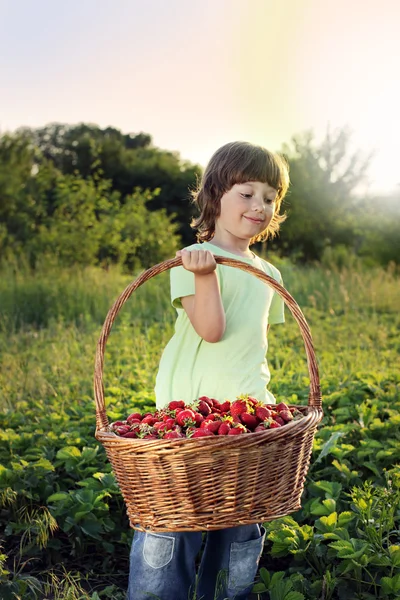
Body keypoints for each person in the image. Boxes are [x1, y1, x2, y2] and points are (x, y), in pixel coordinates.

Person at [128, 141, 290, 600]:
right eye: (246, 193)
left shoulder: (270, 274)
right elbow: (213, 330)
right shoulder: (194, 259)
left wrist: (261, 405)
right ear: (216, 195)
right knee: (173, 520)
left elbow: (252, 344)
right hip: (190, 413)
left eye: (269, 197)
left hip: (244, 411)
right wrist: (204, 275)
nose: (259, 206)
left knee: (239, 518)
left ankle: (222, 592)